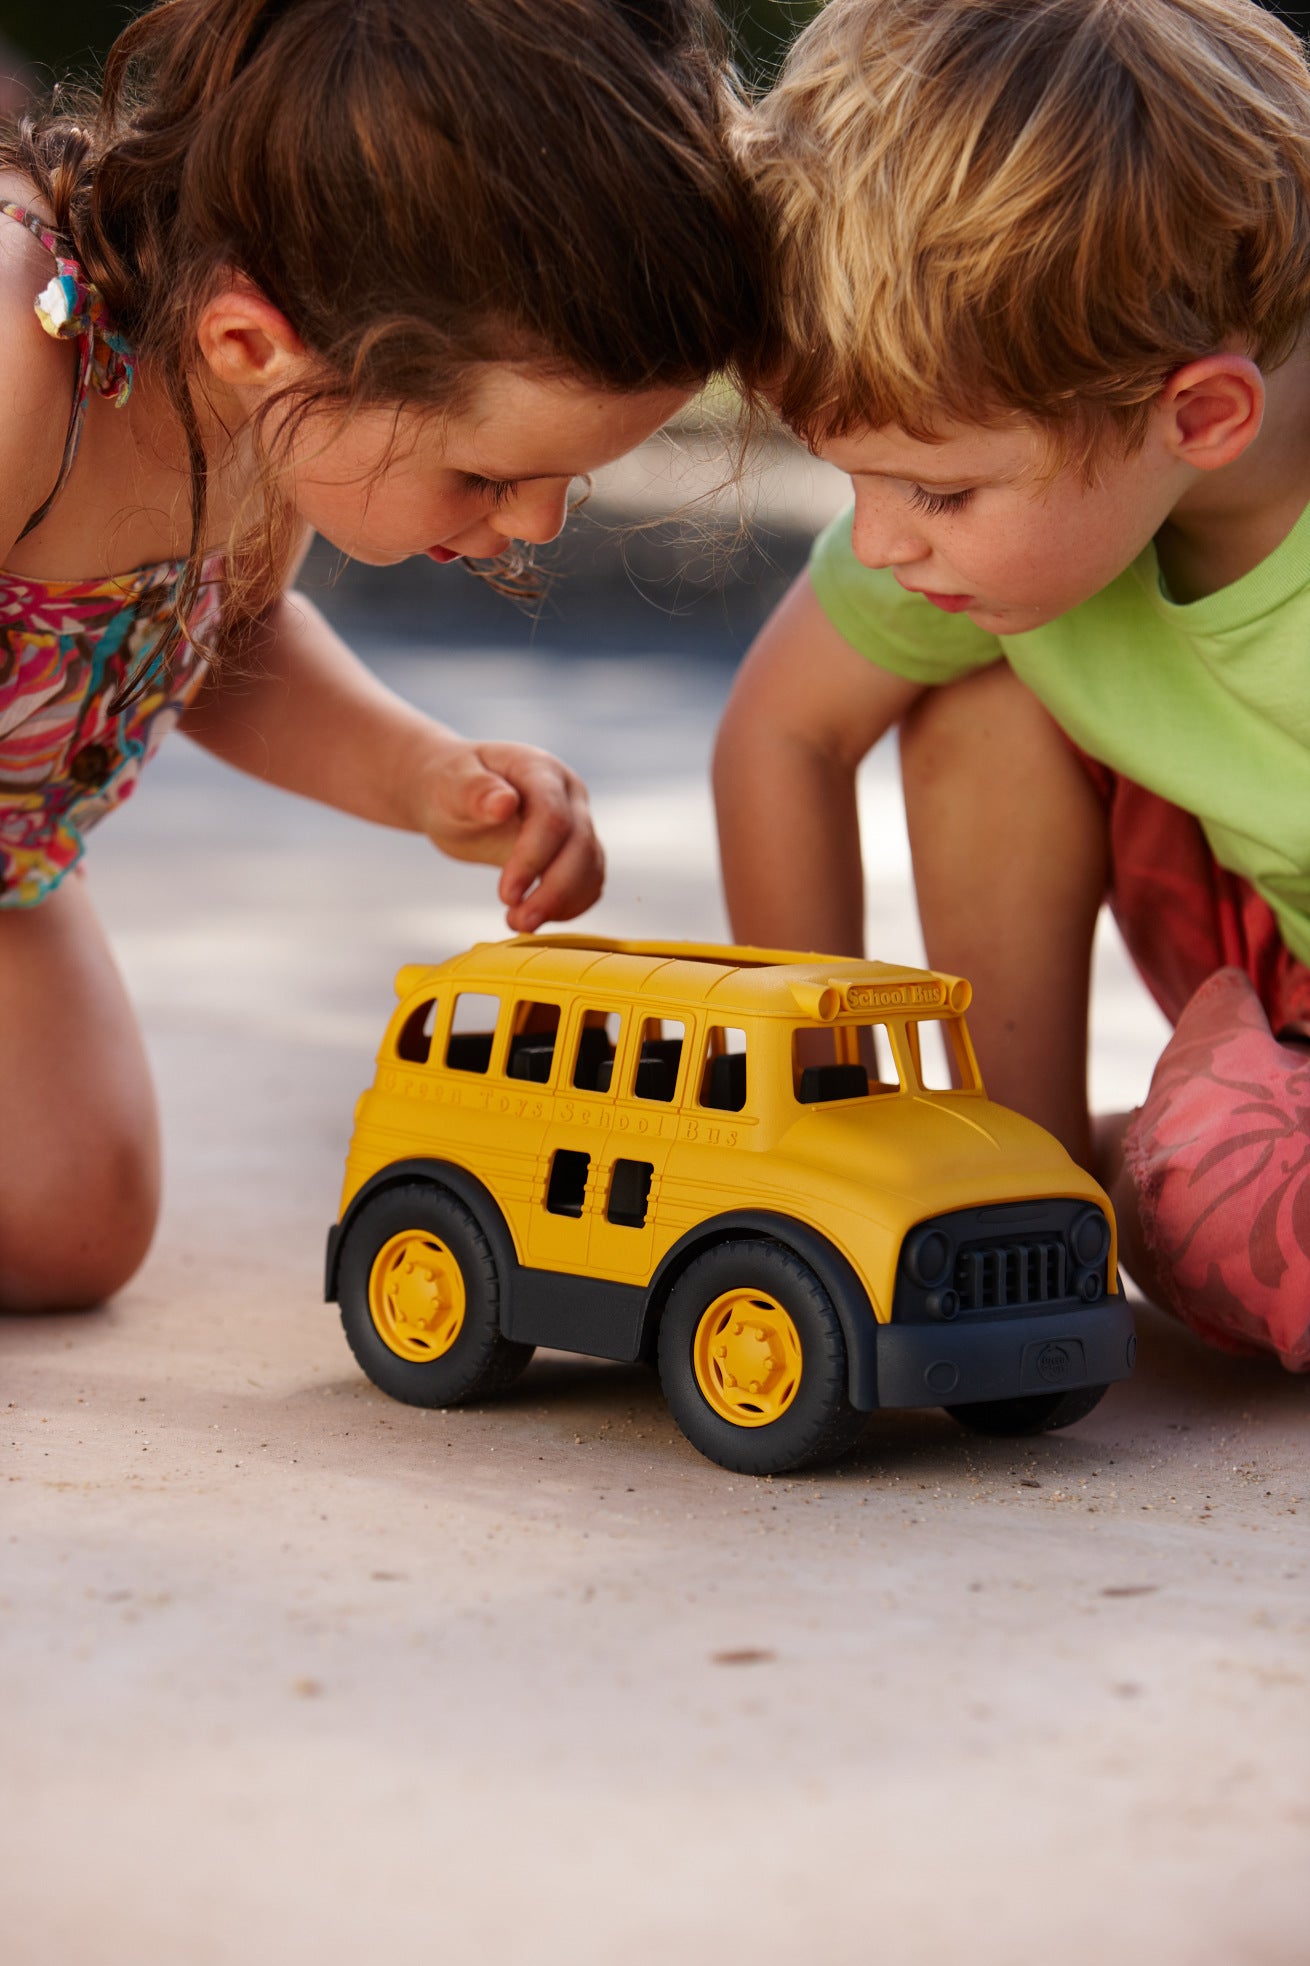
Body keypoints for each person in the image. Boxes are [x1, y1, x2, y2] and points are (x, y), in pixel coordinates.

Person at [0, 0, 771, 1312]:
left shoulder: (254, 404)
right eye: (489, 471)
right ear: (260, 344)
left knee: (76, 1226)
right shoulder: (27, 363)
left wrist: (421, 776)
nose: (536, 520)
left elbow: (226, 648)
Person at [716, 0, 1310, 1370]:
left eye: (935, 488)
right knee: (972, 693)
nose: (877, 540)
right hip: (1260, 967)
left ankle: (1132, 1174)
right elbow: (782, 733)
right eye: (853, 478)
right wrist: (816, 1122)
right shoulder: (1006, 521)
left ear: (1198, 415)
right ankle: (1023, 1185)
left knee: (1252, 1234)